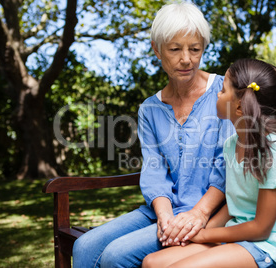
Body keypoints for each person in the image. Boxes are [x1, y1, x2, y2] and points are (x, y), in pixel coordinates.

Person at [72, 2, 234, 267]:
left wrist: (199, 214)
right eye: (174, 49)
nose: (186, 59)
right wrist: (165, 216)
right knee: (84, 246)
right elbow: (154, 170)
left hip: (211, 213)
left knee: (116, 256)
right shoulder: (149, 108)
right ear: (157, 50)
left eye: (195, 49)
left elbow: (226, 167)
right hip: (162, 210)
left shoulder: (223, 93)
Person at [142, 58, 276, 268]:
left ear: (238, 107)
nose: (217, 93)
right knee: (152, 263)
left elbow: (262, 228)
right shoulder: (231, 145)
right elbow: (235, 203)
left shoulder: (272, 150)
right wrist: (199, 232)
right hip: (237, 234)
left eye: (223, 90)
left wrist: (204, 237)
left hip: (269, 246)